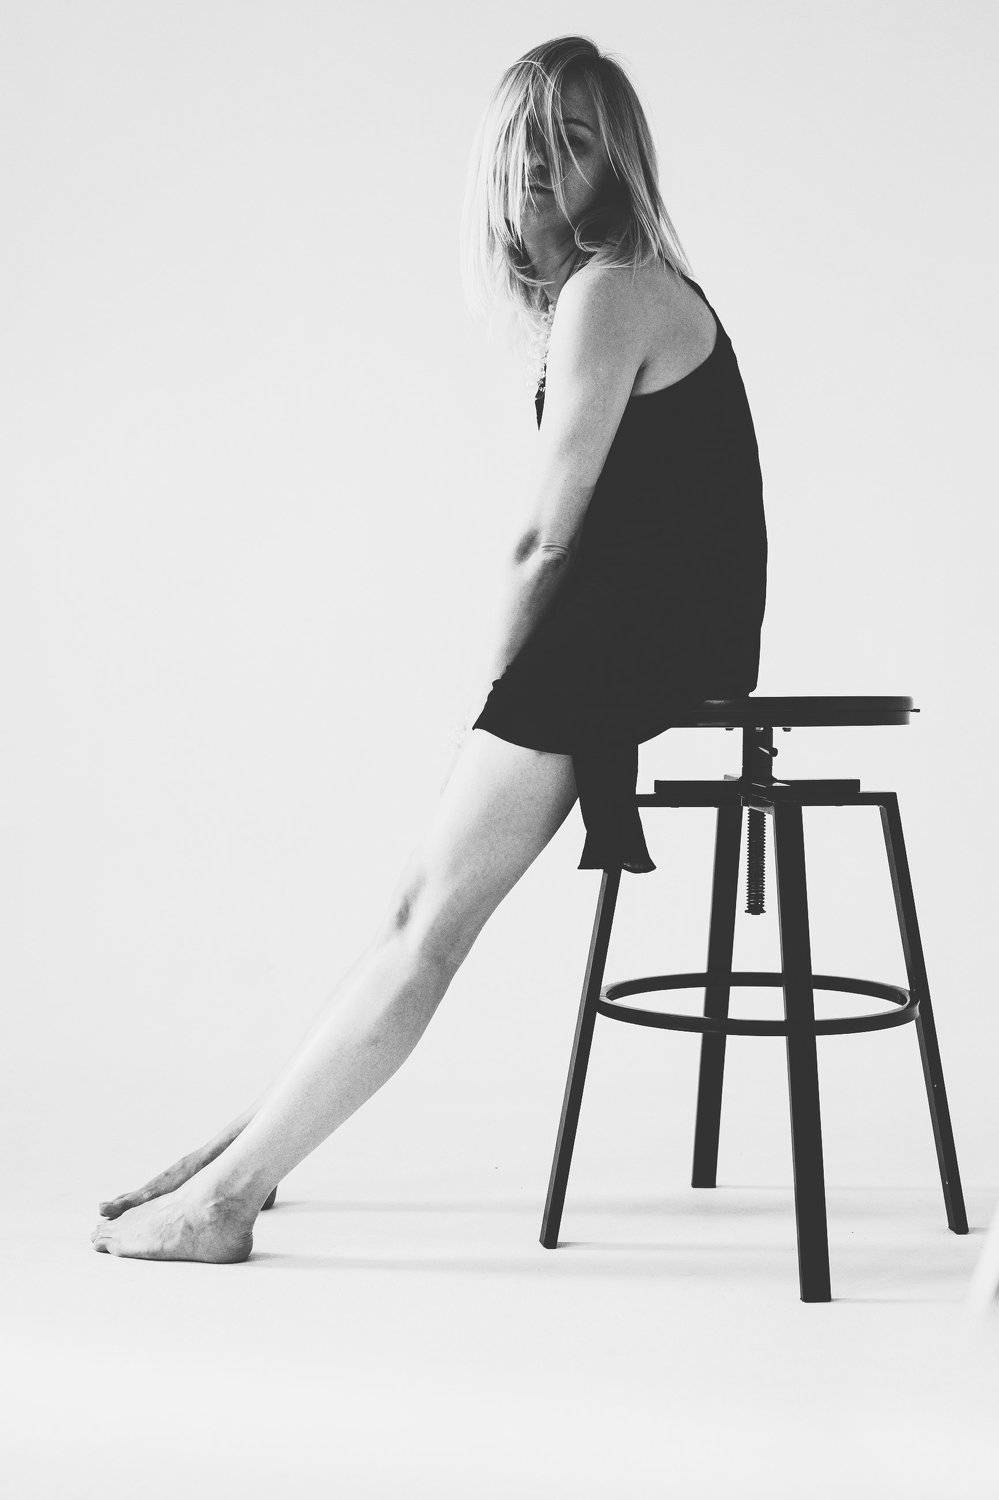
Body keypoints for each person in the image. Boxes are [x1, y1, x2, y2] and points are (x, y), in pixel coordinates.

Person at [92, 34, 767, 1262]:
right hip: (651, 630)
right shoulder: (612, 291)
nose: (542, 167)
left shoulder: (614, 290)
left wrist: (501, 685)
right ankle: (245, 1150)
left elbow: (545, 542)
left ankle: (226, 1202)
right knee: (414, 905)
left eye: (573, 142)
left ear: (617, 163)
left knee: (429, 925)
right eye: (528, 143)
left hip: (637, 637)